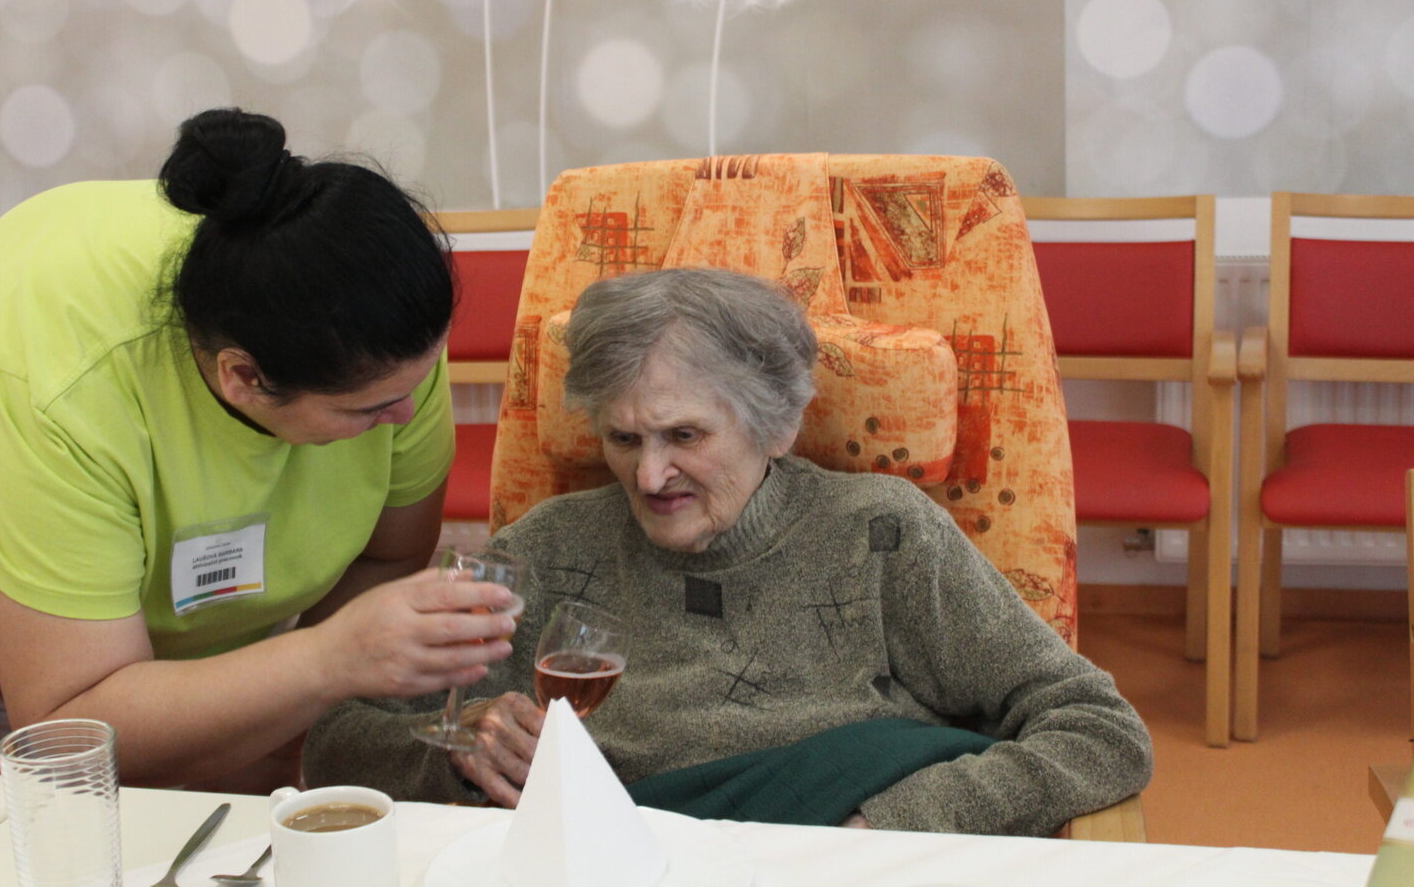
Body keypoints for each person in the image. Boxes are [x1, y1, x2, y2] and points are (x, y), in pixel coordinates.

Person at [302, 268, 1153, 835]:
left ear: (777, 425)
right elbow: (335, 737)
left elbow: (1100, 728)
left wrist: (888, 823)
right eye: (624, 438)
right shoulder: (547, 549)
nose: (650, 474)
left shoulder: (881, 533)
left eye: (685, 435)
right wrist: (458, 746)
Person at [0, 108, 518, 789]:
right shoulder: (58, 380)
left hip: (239, 634)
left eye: (418, 383)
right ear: (243, 378)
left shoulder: (378, 338)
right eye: (367, 409)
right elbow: (72, 730)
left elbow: (387, 554)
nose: (406, 417)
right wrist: (326, 661)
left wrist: (302, 701)